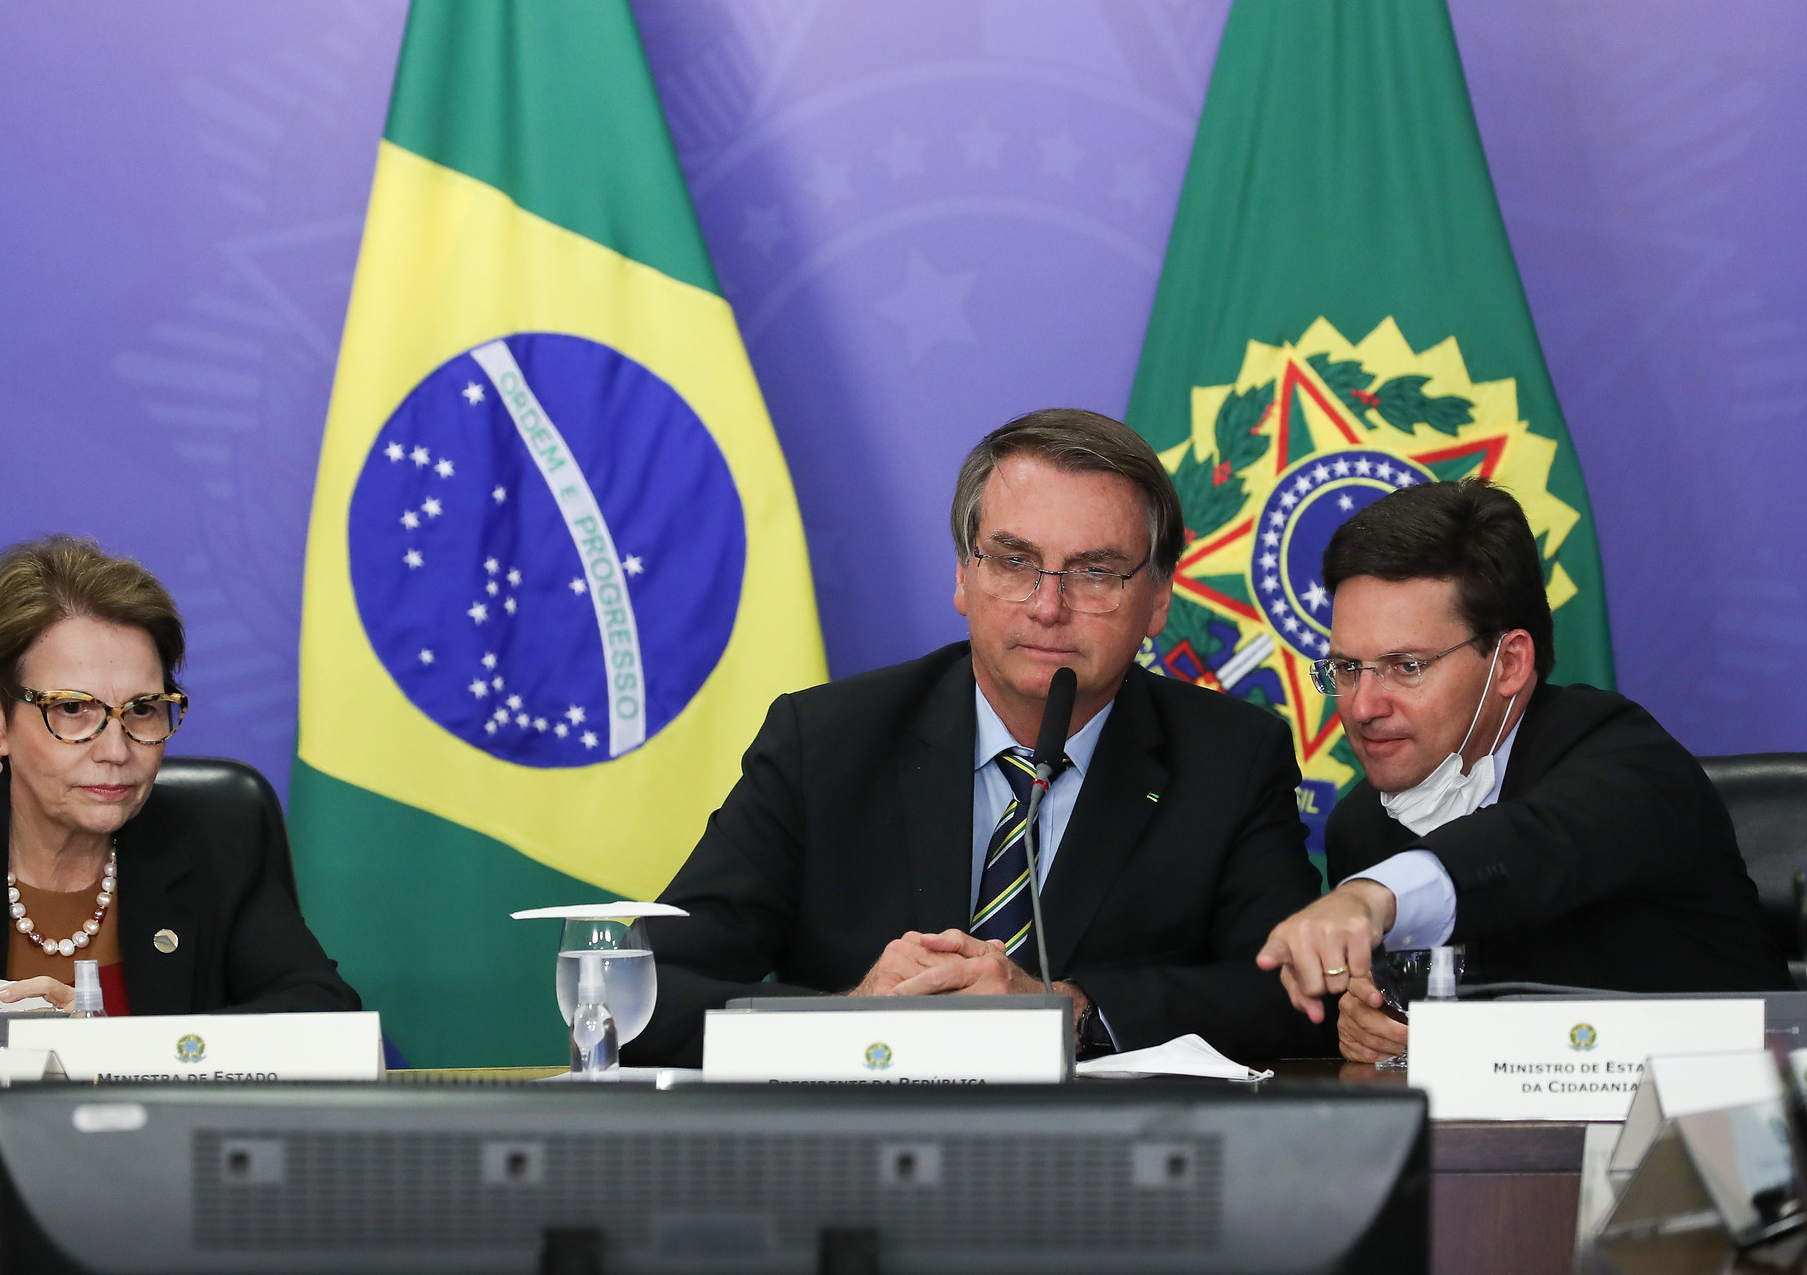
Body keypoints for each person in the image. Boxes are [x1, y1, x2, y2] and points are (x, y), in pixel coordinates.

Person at [626, 409, 1331, 1068]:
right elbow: (640, 995)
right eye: (1014, 561)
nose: (1048, 606)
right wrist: (852, 1022)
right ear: (963, 574)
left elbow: (1295, 1003)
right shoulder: (828, 742)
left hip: (1109, 1180)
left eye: (1094, 571)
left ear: (1158, 598)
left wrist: (1068, 1013)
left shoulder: (1229, 760)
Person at [1255, 479, 1788, 1062]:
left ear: (1509, 663)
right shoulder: (1363, 824)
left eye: (1405, 666)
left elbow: (1528, 846)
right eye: (1347, 669)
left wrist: (1375, 896)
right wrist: (1367, 1026)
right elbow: (1430, 1021)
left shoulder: (1625, 759)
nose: (1362, 707)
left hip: (1716, 1128)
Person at [0, 535, 360, 1016]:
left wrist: (117, 1050)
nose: (116, 750)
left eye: (143, 708)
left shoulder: (219, 841)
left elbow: (324, 1011)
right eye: (73, 710)